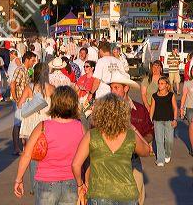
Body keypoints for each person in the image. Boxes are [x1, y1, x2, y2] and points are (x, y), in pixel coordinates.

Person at [72, 94, 151, 205]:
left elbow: (76, 164)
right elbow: (147, 150)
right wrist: (133, 128)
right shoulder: (130, 135)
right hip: (126, 194)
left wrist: (80, 185)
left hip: (99, 194)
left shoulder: (92, 135)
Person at [14, 86, 84, 204]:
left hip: (46, 182)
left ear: (54, 103)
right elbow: (86, 158)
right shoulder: (80, 127)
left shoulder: (43, 127)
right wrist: (83, 183)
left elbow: (27, 154)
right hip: (72, 182)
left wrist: (19, 179)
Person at [109, 71, 154, 205]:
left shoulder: (139, 109)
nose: (112, 91)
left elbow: (150, 131)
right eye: (111, 88)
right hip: (111, 162)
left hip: (134, 160)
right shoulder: (105, 109)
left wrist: (141, 143)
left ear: (126, 88)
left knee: (138, 198)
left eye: (116, 87)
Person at [17, 62, 54, 195]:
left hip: (31, 125)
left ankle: (34, 185)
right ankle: (46, 181)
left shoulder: (29, 87)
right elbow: (55, 107)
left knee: (31, 154)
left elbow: (20, 104)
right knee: (46, 153)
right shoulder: (51, 88)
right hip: (45, 123)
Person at [11, 51, 37, 155]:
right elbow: (13, 84)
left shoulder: (27, 70)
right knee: (17, 124)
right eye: (32, 60)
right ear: (26, 59)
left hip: (24, 101)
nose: (33, 62)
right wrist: (16, 99)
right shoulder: (20, 70)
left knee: (23, 123)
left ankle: (22, 146)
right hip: (19, 100)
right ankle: (16, 148)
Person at [150, 76, 178, 167]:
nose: (159, 85)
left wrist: (175, 119)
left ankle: (167, 154)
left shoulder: (171, 95)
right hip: (158, 121)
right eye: (159, 83)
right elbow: (152, 108)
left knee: (169, 141)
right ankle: (160, 159)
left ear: (167, 85)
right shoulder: (154, 96)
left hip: (169, 121)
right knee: (159, 140)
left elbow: (175, 108)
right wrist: (150, 120)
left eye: (162, 83)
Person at [180, 65, 193, 156]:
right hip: (189, 107)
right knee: (192, 127)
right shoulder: (187, 83)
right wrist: (181, 108)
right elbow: (184, 96)